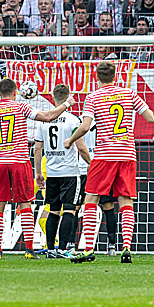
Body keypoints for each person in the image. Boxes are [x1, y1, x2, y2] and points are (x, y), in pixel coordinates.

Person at [0, 78, 73, 259]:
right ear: (16, 92)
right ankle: (29, 250)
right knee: (25, 204)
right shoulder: (21, 108)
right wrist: (66, 105)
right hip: (19, 161)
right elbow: (48, 117)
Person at [64, 61, 154, 264]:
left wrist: (70, 140)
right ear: (115, 75)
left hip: (105, 154)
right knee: (125, 199)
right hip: (127, 154)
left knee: (91, 199)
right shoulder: (129, 93)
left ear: (97, 77)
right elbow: (150, 117)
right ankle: (126, 247)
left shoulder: (93, 97)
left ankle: (88, 249)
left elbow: (86, 126)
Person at [33, 83, 93, 258]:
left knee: (53, 210)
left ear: (53, 98)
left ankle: (51, 249)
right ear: (68, 98)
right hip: (70, 172)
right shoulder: (73, 119)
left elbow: (37, 149)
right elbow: (81, 148)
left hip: (51, 172)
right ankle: (64, 249)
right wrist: (92, 164)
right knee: (69, 210)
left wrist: (38, 173)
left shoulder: (44, 120)